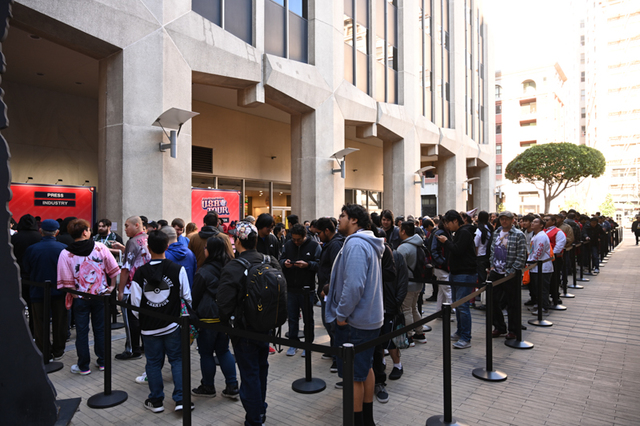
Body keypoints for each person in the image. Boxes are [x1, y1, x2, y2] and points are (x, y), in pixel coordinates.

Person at [217, 222, 283, 426]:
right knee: (261, 369)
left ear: (238, 241)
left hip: (243, 330)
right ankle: (260, 410)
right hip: (266, 326)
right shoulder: (270, 261)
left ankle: (254, 419)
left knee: (249, 374)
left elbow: (224, 304)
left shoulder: (234, 267)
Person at [326, 204, 384, 426]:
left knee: (353, 376)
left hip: (356, 322)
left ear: (354, 220)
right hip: (366, 319)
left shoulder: (357, 244)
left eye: (342, 215)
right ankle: (366, 420)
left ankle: (357, 421)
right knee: (364, 369)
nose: (339, 219)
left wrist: (341, 315)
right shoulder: (363, 242)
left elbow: (354, 286)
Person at [129, 230, 193, 413]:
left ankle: (156, 400)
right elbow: (187, 298)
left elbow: (134, 305)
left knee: (153, 363)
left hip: (149, 328)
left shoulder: (140, 273)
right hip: (172, 324)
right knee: (177, 360)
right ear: (167, 246)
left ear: (148, 248)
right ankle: (181, 399)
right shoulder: (177, 269)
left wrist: (145, 319)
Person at [57, 219, 121, 375]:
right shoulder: (100, 247)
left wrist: (75, 294)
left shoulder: (66, 253)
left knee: (82, 332)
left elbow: (66, 280)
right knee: (101, 329)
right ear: (85, 232)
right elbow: (113, 268)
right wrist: (112, 287)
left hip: (80, 298)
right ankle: (103, 362)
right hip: (100, 296)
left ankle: (83, 366)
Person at [191, 237, 239, 400]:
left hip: (207, 318)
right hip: (225, 317)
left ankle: (208, 386)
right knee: (224, 350)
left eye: (206, 247)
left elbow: (194, 297)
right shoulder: (230, 267)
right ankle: (232, 386)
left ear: (211, 251)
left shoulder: (203, 271)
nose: (204, 250)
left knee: (206, 353)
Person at [22, 219, 68, 360]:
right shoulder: (64, 248)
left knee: (40, 323)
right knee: (60, 321)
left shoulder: (32, 249)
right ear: (57, 232)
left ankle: (44, 351)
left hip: (37, 291)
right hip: (60, 291)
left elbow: (26, 269)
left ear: (41, 231)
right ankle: (58, 350)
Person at [436, 210, 477, 349]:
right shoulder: (458, 233)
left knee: (463, 306)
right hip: (456, 273)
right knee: (458, 305)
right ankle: (460, 332)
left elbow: (458, 250)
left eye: (448, 223)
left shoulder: (464, 232)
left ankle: (466, 337)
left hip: (465, 274)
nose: (446, 226)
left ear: (455, 221)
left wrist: (446, 242)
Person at [279, 223, 321, 356]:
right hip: (291, 288)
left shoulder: (314, 246)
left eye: (299, 239)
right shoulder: (288, 245)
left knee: (308, 319)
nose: (296, 242)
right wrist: (284, 263)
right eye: (294, 239)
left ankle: (308, 345)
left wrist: (307, 265)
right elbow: (281, 259)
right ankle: (293, 343)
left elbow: (320, 265)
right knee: (292, 318)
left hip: (307, 289)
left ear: (305, 236)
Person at [487, 211, 527, 339]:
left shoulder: (518, 235)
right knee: (492, 301)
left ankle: (513, 330)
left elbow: (521, 255)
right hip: (496, 272)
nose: (504, 221)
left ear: (512, 220)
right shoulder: (496, 232)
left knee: (512, 303)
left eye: (507, 219)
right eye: (502, 219)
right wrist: (492, 266)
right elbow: (492, 250)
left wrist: (512, 270)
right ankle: (499, 326)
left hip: (511, 274)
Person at [116, 216, 151, 361]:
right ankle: (144, 346)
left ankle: (132, 350)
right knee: (144, 318)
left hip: (132, 287)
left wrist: (120, 290)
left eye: (127, 226)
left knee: (131, 320)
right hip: (147, 286)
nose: (125, 229)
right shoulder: (148, 238)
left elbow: (126, 268)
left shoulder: (132, 242)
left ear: (137, 225)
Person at [315, 216, 345, 373]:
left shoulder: (335, 244)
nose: (318, 236)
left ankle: (337, 357)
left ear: (327, 230)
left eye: (319, 233)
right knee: (329, 323)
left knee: (332, 324)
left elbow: (336, 269)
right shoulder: (330, 243)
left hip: (330, 292)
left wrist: (327, 287)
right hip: (327, 290)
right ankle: (334, 350)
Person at [397, 221, 428, 345]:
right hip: (418, 283)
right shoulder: (419, 244)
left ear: (403, 231)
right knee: (413, 308)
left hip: (408, 284)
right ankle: (420, 333)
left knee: (407, 310)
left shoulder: (403, 248)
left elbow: (398, 268)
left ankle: (409, 336)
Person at [528, 217, 553, 315]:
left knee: (542, 289)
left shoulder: (541, 236)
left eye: (535, 222)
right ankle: (539, 304)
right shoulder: (536, 235)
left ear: (541, 225)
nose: (532, 223)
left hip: (542, 267)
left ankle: (544, 307)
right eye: (532, 221)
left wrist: (532, 260)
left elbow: (539, 250)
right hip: (535, 267)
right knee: (537, 288)